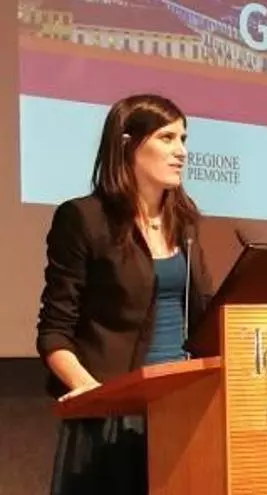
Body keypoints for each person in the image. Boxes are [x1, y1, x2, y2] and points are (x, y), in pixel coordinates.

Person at [35, 94, 213, 494]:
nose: (181, 151)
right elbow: (54, 332)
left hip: (180, 409)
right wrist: (96, 396)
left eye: (183, 139)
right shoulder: (84, 218)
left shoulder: (184, 222)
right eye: (167, 138)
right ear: (128, 144)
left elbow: (204, 315)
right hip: (113, 415)